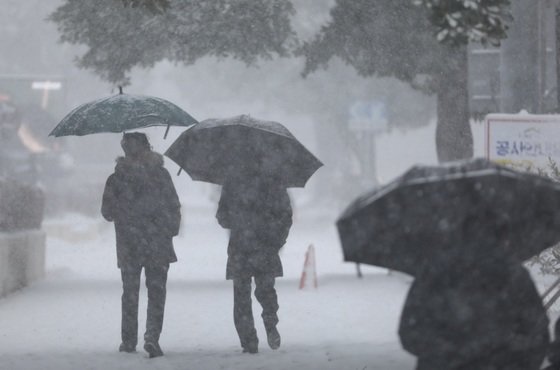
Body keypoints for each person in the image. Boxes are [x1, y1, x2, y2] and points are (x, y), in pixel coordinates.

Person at [398, 213, 550, 370]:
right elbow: (411, 334)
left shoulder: (514, 277)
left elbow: (537, 335)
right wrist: (461, 350)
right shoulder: (437, 275)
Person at [101, 132, 181, 358]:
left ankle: (128, 341)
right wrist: (168, 230)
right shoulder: (161, 175)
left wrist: (125, 212)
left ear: (124, 150)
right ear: (149, 148)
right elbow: (174, 206)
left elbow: (107, 213)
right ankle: (152, 336)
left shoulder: (116, 179)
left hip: (129, 244)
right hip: (158, 243)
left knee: (130, 293)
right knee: (157, 292)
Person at [216, 174, 292, 354]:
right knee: (266, 289)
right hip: (266, 245)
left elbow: (222, 217)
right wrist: (278, 239)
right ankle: (270, 320)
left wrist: (238, 217)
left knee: (241, 294)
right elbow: (286, 215)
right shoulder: (275, 180)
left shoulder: (232, 181)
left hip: (240, 246)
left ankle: (248, 340)